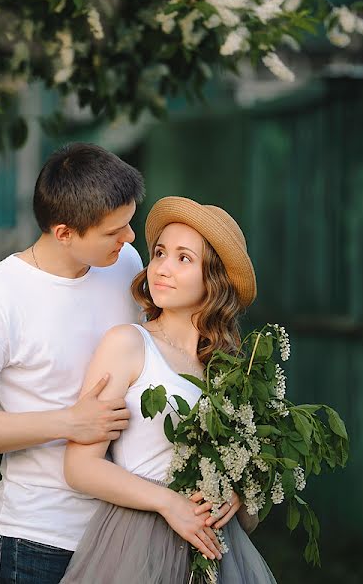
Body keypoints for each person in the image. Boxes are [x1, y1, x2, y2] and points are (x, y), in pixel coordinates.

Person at [0, 144, 221, 584]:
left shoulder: (123, 264)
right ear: (64, 232)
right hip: (39, 538)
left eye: (129, 223)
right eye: (114, 231)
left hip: (130, 535)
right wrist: (68, 422)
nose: (129, 239)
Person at [61, 196, 278, 584]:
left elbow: (252, 516)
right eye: (160, 253)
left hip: (215, 553)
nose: (161, 268)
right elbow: (80, 467)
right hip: (138, 544)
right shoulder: (128, 345)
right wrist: (169, 503)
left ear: (214, 279)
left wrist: (237, 495)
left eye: (183, 258)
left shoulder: (229, 369)